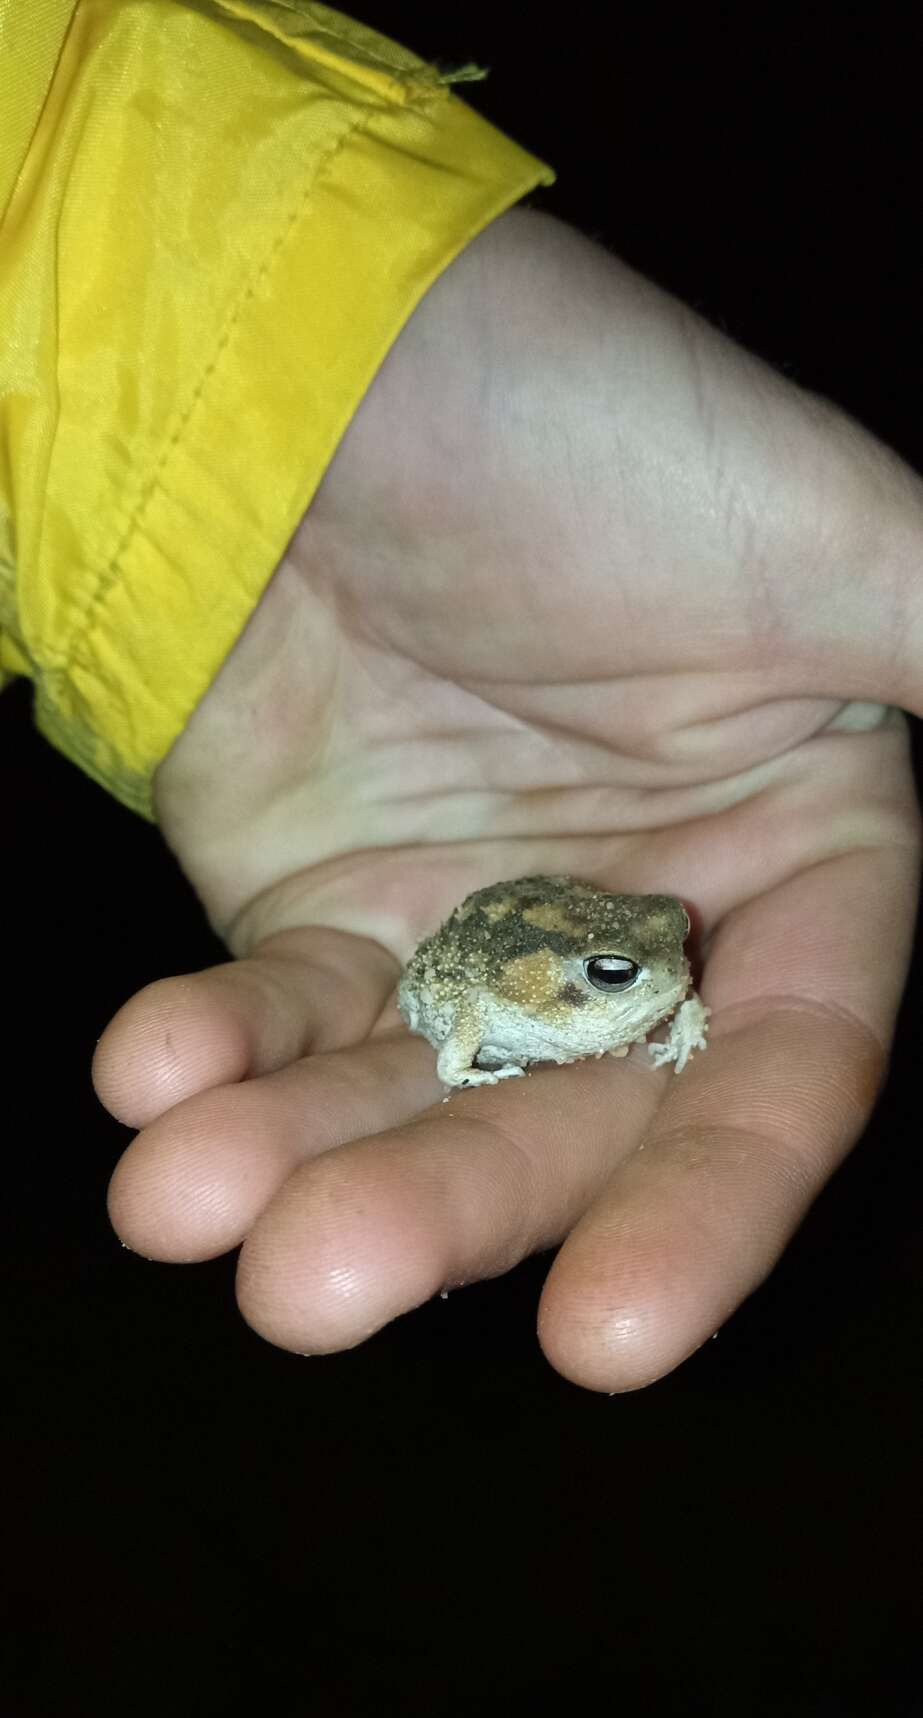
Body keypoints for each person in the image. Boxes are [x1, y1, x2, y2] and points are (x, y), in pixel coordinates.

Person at [3, 6, 920, 1390]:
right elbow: (460, 988)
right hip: (479, 960)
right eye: (628, 975)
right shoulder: (516, 986)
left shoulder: (648, 966)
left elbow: (655, 970)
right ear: (570, 985)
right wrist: (478, 1054)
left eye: (661, 954)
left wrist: (665, 1000)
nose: (666, 978)